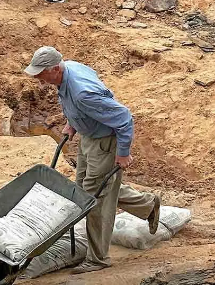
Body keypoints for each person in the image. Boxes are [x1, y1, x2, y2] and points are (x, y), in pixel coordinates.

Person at [24, 47, 161, 274]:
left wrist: (123, 152)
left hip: (105, 143)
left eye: (41, 73)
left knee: (93, 199)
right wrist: (72, 123)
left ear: (56, 69)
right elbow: (75, 104)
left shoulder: (82, 92)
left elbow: (124, 118)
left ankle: (98, 258)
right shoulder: (69, 70)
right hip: (89, 137)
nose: (38, 77)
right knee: (84, 190)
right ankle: (147, 205)